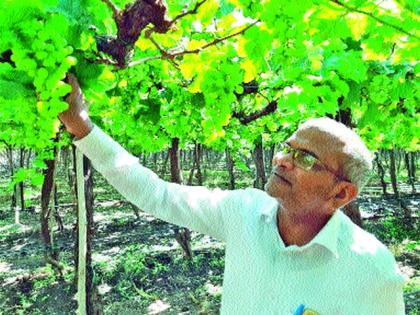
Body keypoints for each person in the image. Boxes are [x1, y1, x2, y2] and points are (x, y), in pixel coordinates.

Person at [59, 74, 406, 314]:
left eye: (304, 158)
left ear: (341, 193)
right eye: (287, 148)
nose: (283, 160)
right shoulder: (243, 211)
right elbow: (157, 194)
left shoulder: (372, 270)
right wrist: (82, 127)